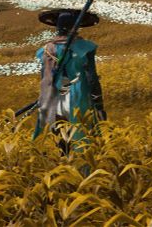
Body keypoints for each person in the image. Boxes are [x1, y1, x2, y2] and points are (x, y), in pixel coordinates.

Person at [32, 9, 106, 153]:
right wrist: (98, 104)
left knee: (61, 141)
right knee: (84, 140)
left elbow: (45, 79)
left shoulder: (47, 49)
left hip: (53, 99)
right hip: (77, 96)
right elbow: (91, 78)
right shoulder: (84, 47)